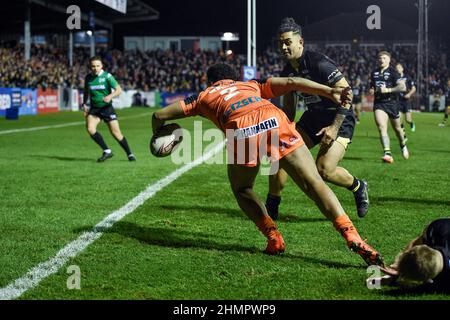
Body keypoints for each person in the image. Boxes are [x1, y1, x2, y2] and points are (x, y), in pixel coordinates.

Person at [152, 62, 385, 267]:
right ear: (234, 78)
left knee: (243, 189)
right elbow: (292, 82)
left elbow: (159, 115)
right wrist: (328, 90)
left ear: (210, 81)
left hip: (241, 128)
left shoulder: (203, 96)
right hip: (273, 118)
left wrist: (161, 134)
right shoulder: (251, 84)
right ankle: (352, 235)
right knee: (314, 182)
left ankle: (273, 237)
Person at [265, 17, 369, 220]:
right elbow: (289, 108)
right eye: (281, 43)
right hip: (313, 117)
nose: (284, 47)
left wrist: (333, 127)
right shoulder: (287, 70)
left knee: (324, 169)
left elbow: (348, 95)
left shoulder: (319, 63)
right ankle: (272, 206)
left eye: (288, 42)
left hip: (338, 117)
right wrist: (281, 131)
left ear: (300, 42)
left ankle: (358, 186)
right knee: (281, 152)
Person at [368, 218, 450, 290]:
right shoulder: (437, 228)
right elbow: (415, 243)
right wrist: (397, 266)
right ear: (424, 246)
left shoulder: (437, 227)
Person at [82, 56, 136, 162]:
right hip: (94, 109)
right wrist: (84, 103)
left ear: (101, 66)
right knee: (90, 128)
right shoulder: (88, 77)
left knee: (116, 133)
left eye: (98, 66)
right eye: (93, 66)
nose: (95, 68)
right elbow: (86, 91)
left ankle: (130, 154)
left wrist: (110, 96)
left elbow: (118, 90)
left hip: (107, 108)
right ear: (90, 67)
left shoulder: (107, 76)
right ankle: (107, 151)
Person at [369, 51, 408, 164]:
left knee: (397, 129)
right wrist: (372, 90)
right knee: (382, 127)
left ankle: (402, 144)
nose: (382, 60)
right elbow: (372, 86)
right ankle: (387, 153)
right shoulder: (374, 72)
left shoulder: (393, 72)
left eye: (384, 58)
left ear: (389, 60)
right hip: (379, 103)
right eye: (380, 58)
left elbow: (403, 87)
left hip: (392, 103)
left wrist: (389, 90)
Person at [395, 63, 416, 134]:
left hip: (406, 101)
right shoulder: (394, 78)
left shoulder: (407, 77)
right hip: (398, 101)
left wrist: (409, 94)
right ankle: (403, 133)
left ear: (402, 69)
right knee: (399, 120)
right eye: (396, 68)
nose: (397, 69)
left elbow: (413, 88)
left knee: (408, 119)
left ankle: (411, 123)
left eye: (399, 67)